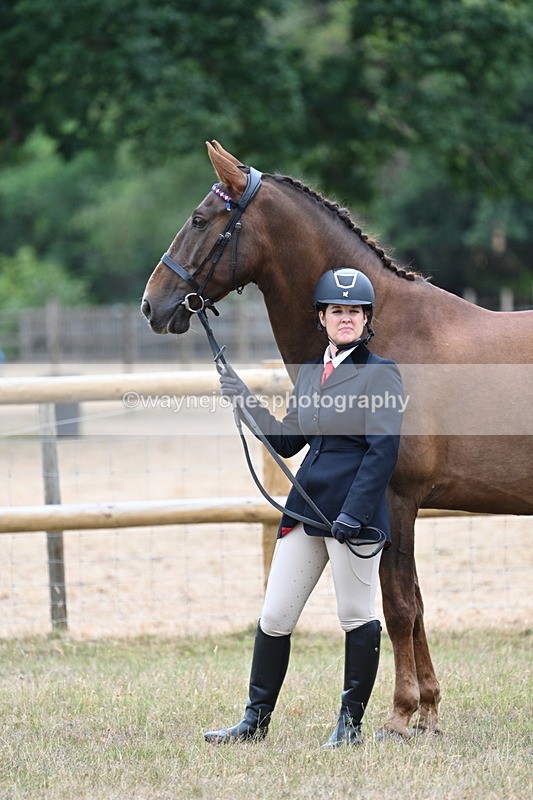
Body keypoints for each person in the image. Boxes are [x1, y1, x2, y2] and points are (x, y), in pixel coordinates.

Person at [203, 267, 404, 749]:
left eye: (355, 312)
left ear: (366, 319)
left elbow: (382, 452)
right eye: (338, 311)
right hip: (308, 510)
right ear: (322, 317)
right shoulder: (313, 372)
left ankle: (349, 726)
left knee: (356, 615)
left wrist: (354, 515)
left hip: (352, 517)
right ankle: (254, 721)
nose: (346, 319)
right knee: (275, 617)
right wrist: (245, 400)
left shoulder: (382, 373)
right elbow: (289, 440)